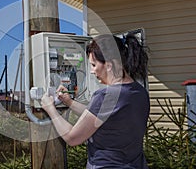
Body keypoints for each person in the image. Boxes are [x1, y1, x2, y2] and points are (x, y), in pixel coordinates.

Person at [41, 33, 150, 168]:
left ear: (109, 65)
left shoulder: (105, 96)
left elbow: (72, 138)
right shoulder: (139, 92)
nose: (92, 71)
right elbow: (101, 117)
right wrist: (69, 102)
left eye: (93, 65)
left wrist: (50, 109)